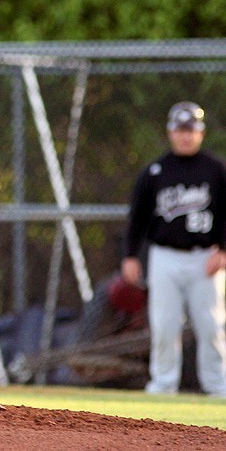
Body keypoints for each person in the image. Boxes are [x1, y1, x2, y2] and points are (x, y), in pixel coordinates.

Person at [121, 101, 226, 396]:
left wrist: (223, 251)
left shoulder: (215, 169)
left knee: (211, 326)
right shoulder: (156, 171)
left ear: (201, 133)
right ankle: (163, 384)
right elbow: (137, 218)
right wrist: (129, 255)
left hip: (205, 256)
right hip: (164, 256)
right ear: (170, 132)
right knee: (165, 325)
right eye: (180, 130)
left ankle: (218, 387)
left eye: (190, 130)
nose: (185, 136)